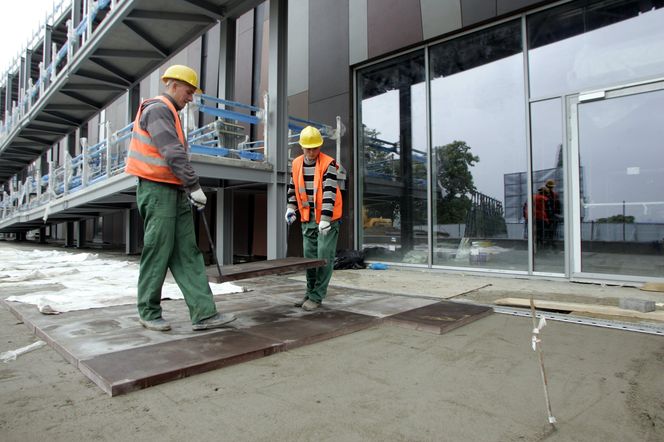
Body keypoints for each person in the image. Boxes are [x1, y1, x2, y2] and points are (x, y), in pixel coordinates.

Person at [125, 64, 236, 332]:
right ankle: (148, 311)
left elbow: (174, 155)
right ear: (173, 85)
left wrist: (186, 188)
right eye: (188, 91)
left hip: (173, 191)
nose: (190, 98)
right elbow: (172, 153)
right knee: (158, 250)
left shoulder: (169, 112)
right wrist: (194, 185)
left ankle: (204, 313)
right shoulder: (158, 110)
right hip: (157, 191)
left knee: (188, 252)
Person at [285, 126, 343, 311]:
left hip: (328, 220)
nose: (311, 152)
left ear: (320, 146)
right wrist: (290, 208)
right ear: (301, 147)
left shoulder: (329, 164)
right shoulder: (296, 164)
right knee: (309, 259)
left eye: (315, 148)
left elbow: (329, 192)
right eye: (307, 148)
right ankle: (309, 293)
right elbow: (293, 188)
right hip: (307, 218)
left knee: (324, 257)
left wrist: (325, 218)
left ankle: (317, 296)